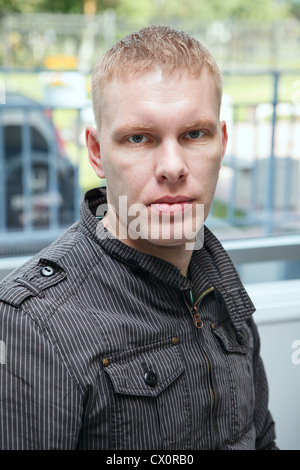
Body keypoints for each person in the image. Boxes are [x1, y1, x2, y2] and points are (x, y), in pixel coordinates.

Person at [0, 25, 278, 450]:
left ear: (222, 141)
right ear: (95, 152)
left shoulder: (218, 279)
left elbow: (262, 439)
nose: (173, 166)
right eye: (139, 138)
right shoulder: (35, 324)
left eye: (194, 134)